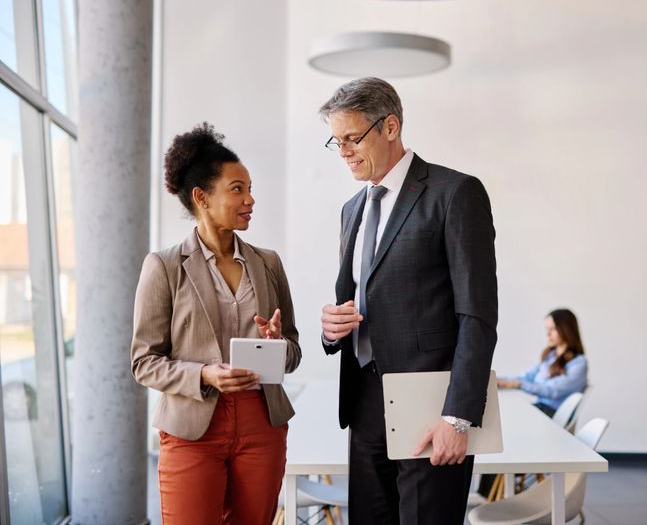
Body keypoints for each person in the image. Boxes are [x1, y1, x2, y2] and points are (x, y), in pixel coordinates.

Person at [318, 77, 498, 525]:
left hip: (430, 407)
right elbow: (363, 296)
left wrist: (458, 417)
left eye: (352, 138)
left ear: (391, 126)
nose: (343, 151)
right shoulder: (351, 209)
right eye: (335, 141)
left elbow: (477, 315)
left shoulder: (455, 193)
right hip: (363, 404)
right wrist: (333, 326)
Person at [130, 123, 301, 524]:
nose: (250, 199)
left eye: (250, 188)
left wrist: (277, 345)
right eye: (237, 189)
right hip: (193, 427)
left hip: (262, 422)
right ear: (202, 198)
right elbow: (144, 362)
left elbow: (293, 350)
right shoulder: (165, 267)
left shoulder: (268, 263)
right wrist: (205, 373)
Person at [497, 308, 587, 417]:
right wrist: (499, 380)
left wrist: (518, 384)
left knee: (509, 416)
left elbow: (552, 391)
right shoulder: (550, 356)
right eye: (547, 329)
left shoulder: (579, 363)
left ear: (566, 329)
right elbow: (527, 376)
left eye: (553, 329)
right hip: (541, 408)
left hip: (554, 414)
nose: (548, 334)